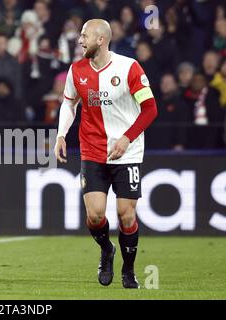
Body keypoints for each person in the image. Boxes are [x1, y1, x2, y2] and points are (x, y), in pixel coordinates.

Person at [54, 19, 158, 289]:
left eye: (84, 36)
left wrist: (127, 137)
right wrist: (61, 134)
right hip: (92, 150)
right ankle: (106, 250)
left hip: (127, 152)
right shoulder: (76, 70)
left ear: (101, 39)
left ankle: (129, 269)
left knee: (126, 214)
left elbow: (150, 109)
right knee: (96, 216)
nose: (80, 40)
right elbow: (69, 104)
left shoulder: (129, 67)